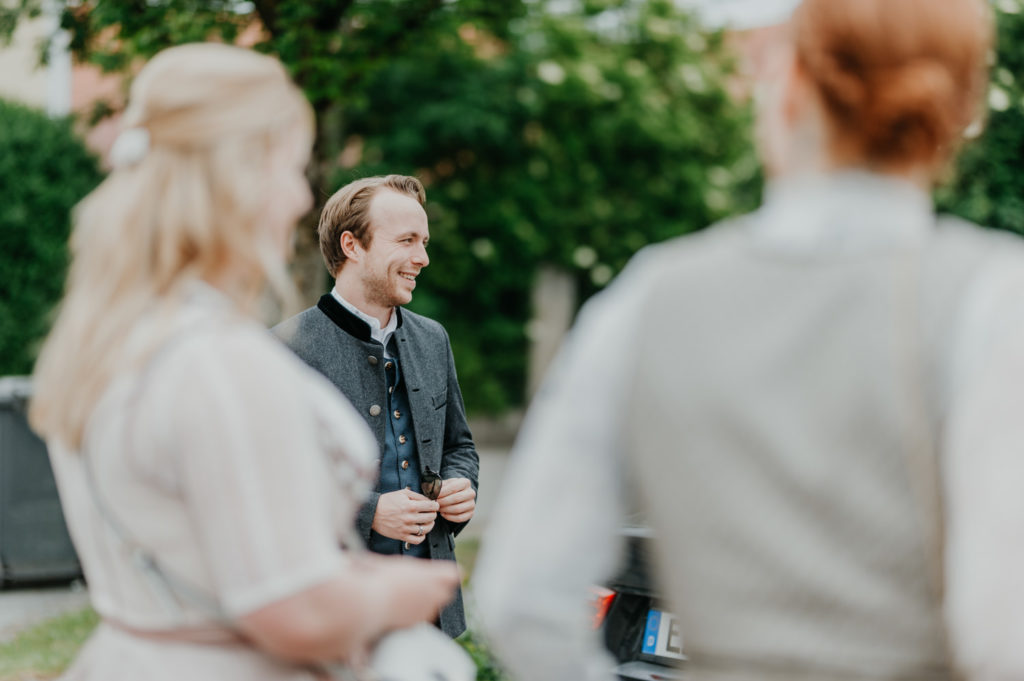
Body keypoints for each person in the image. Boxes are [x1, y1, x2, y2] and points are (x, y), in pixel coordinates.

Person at [473, 0, 1024, 679]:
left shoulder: (652, 295)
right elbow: (1002, 632)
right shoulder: (994, 299)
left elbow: (521, 599)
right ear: (962, 103)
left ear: (789, 80)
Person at [29, 43, 459, 681]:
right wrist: (407, 592)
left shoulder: (109, 338)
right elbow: (292, 612)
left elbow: (207, 554)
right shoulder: (216, 362)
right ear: (240, 177)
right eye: (291, 169)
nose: (295, 200)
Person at [274, 175, 479, 638]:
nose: (422, 258)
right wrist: (367, 513)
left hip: (430, 612)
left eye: (424, 242)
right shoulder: (285, 349)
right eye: (406, 240)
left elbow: (459, 446)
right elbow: (271, 484)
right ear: (352, 245)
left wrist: (462, 486)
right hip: (332, 611)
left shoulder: (433, 339)